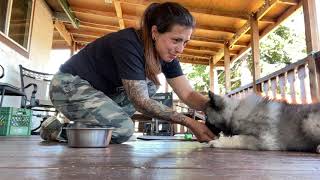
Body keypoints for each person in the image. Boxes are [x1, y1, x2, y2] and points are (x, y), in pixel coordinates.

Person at [41, 2, 215, 144]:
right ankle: (55, 130)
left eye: (185, 42)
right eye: (176, 40)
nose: (180, 49)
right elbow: (140, 102)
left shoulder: (166, 55)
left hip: (99, 94)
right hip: (66, 86)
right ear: (155, 32)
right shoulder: (128, 43)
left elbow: (188, 94)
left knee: (150, 86)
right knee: (123, 129)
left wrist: (215, 107)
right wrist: (190, 123)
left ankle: (90, 126)